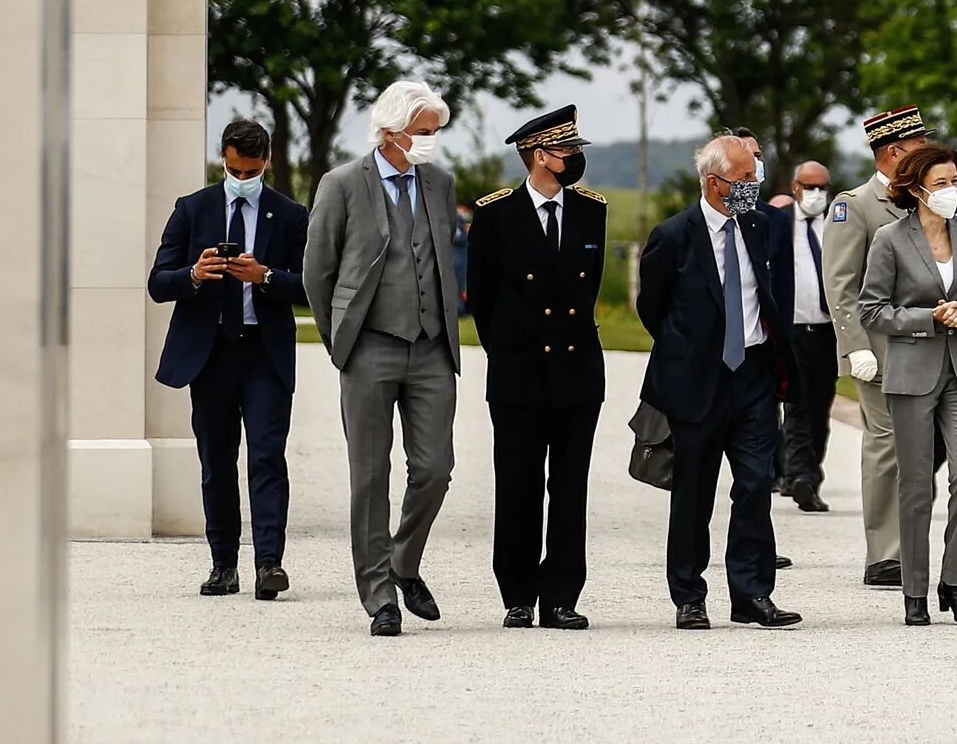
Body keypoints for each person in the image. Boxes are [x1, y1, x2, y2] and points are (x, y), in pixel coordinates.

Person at [303, 78, 463, 637]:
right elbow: (316, 272)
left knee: (435, 469)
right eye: (423, 133)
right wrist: (340, 340)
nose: (431, 143)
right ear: (391, 132)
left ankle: (403, 562)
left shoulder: (440, 185)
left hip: (432, 350)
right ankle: (379, 597)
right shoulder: (342, 184)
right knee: (370, 476)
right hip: (369, 349)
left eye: (436, 133)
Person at [636, 136, 801, 630]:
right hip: (697, 381)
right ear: (714, 182)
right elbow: (652, 309)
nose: (753, 186)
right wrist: (687, 351)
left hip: (753, 375)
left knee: (754, 486)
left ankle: (751, 593)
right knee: (694, 493)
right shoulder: (674, 235)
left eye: (754, 177)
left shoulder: (764, 226)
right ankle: (689, 594)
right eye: (745, 179)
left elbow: (778, 295)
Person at [146, 116, 308, 600]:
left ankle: (269, 564)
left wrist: (265, 276)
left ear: (268, 162)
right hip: (210, 353)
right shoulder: (192, 209)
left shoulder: (292, 214)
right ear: (224, 158)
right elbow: (158, 282)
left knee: (266, 457)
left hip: (264, 353)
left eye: (252, 172)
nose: (243, 179)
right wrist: (194, 274)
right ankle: (223, 565)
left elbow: (311, 287)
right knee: (217, 461)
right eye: (236, 171)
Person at [466, 105, 608, 630]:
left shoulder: (593, 210)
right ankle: (518, 593)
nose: (574, 159)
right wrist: (507, 352)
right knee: (519, 486)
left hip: (576, 373)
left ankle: (562, 595)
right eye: (566, 151)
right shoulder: (496, 213)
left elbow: (587, 288)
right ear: (538, 156)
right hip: (520, 373)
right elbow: (480, 296)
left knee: (570, 489)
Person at [861, 142, 957, 625]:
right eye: (941, 183)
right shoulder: (889, 238)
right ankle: (915, 591)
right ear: (917, 188)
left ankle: (954, 582)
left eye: (955, 182)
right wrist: (929, 319)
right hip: (911, 373)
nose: (951, 191)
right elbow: (872, 309)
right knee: (917, 485)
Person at [823, 104, 927, 587]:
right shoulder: (855, 205)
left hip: (927, 348)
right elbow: (841, 283)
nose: (926, 156)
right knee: (886, 445)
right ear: (893, 152)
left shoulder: (921, 200)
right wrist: (855, 346)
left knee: (922, 448)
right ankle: (884, 553)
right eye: (917, 149)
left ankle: (912, 543)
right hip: (881, 351)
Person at [774, 159, 840, 515]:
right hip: (792, 330)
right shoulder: (779, 225)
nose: (816, 195)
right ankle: (801, 477)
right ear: (795, 187)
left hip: (828, 332)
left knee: (820, 408)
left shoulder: (836, 226)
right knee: (797, 405)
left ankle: (806, 469)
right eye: (809, 187)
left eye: (822, 188)